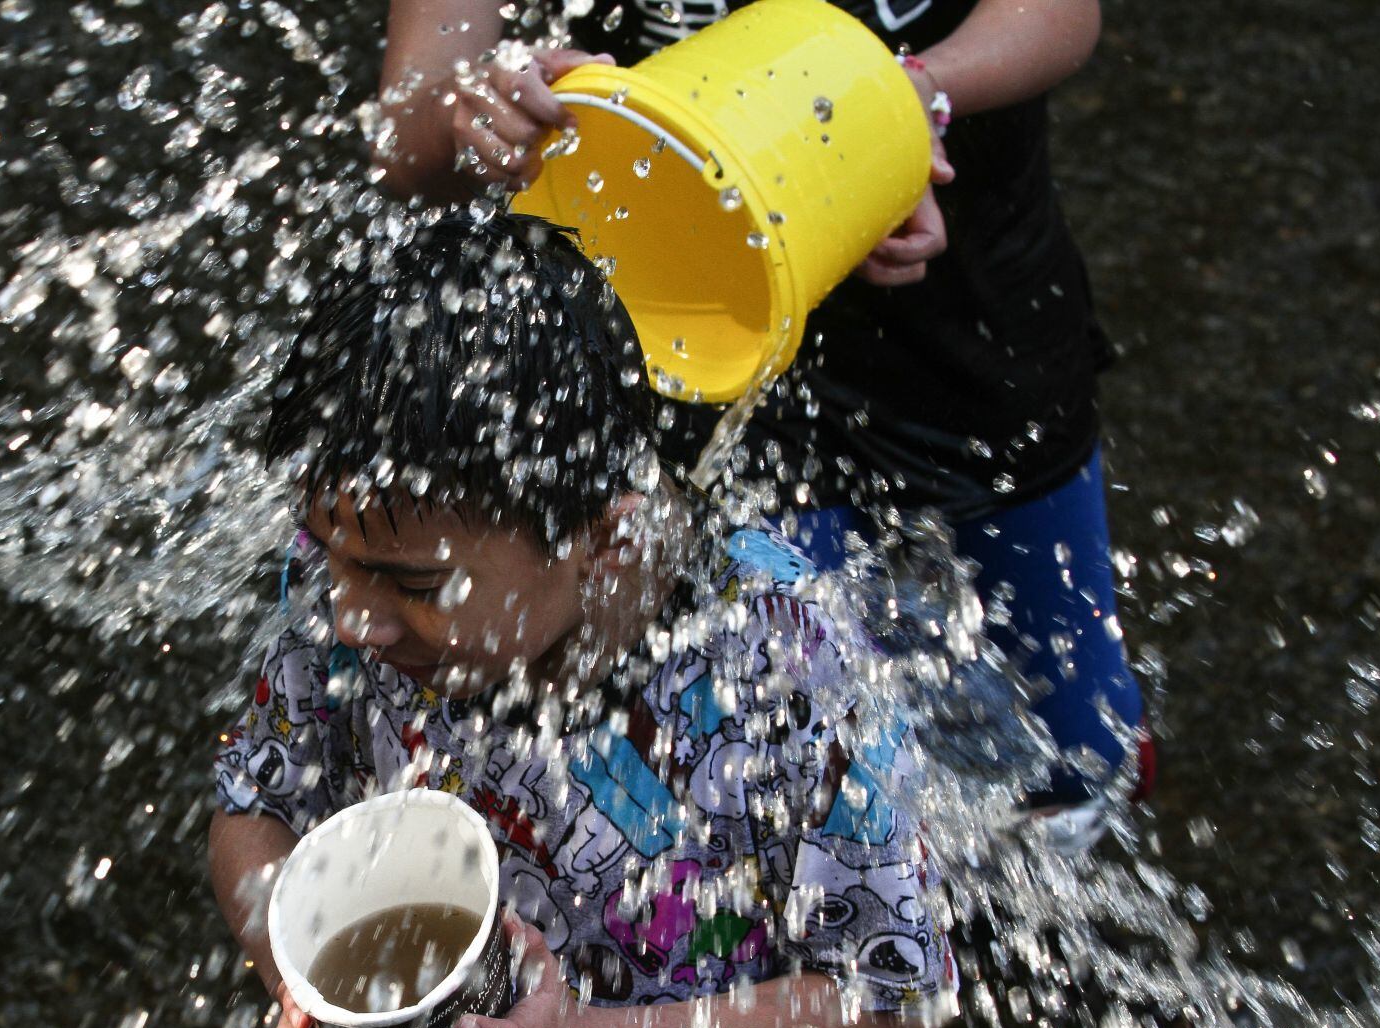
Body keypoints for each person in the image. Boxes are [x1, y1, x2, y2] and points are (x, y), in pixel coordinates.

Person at [209, 212, 954, 1028]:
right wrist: (290, 968)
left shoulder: (776, 669)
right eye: (329, 557)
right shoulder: (359, 554)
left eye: (414, 588)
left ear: (606, 542)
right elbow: (251, 804)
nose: (348, 619)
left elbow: (902, 997)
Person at [370, 0, 1151, 825]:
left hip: (979, 332)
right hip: (705, 351)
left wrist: (906, 97)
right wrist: (482, 110)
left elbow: (1065, 12)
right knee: (803, 759)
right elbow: (406, 135)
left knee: (1081, 744)